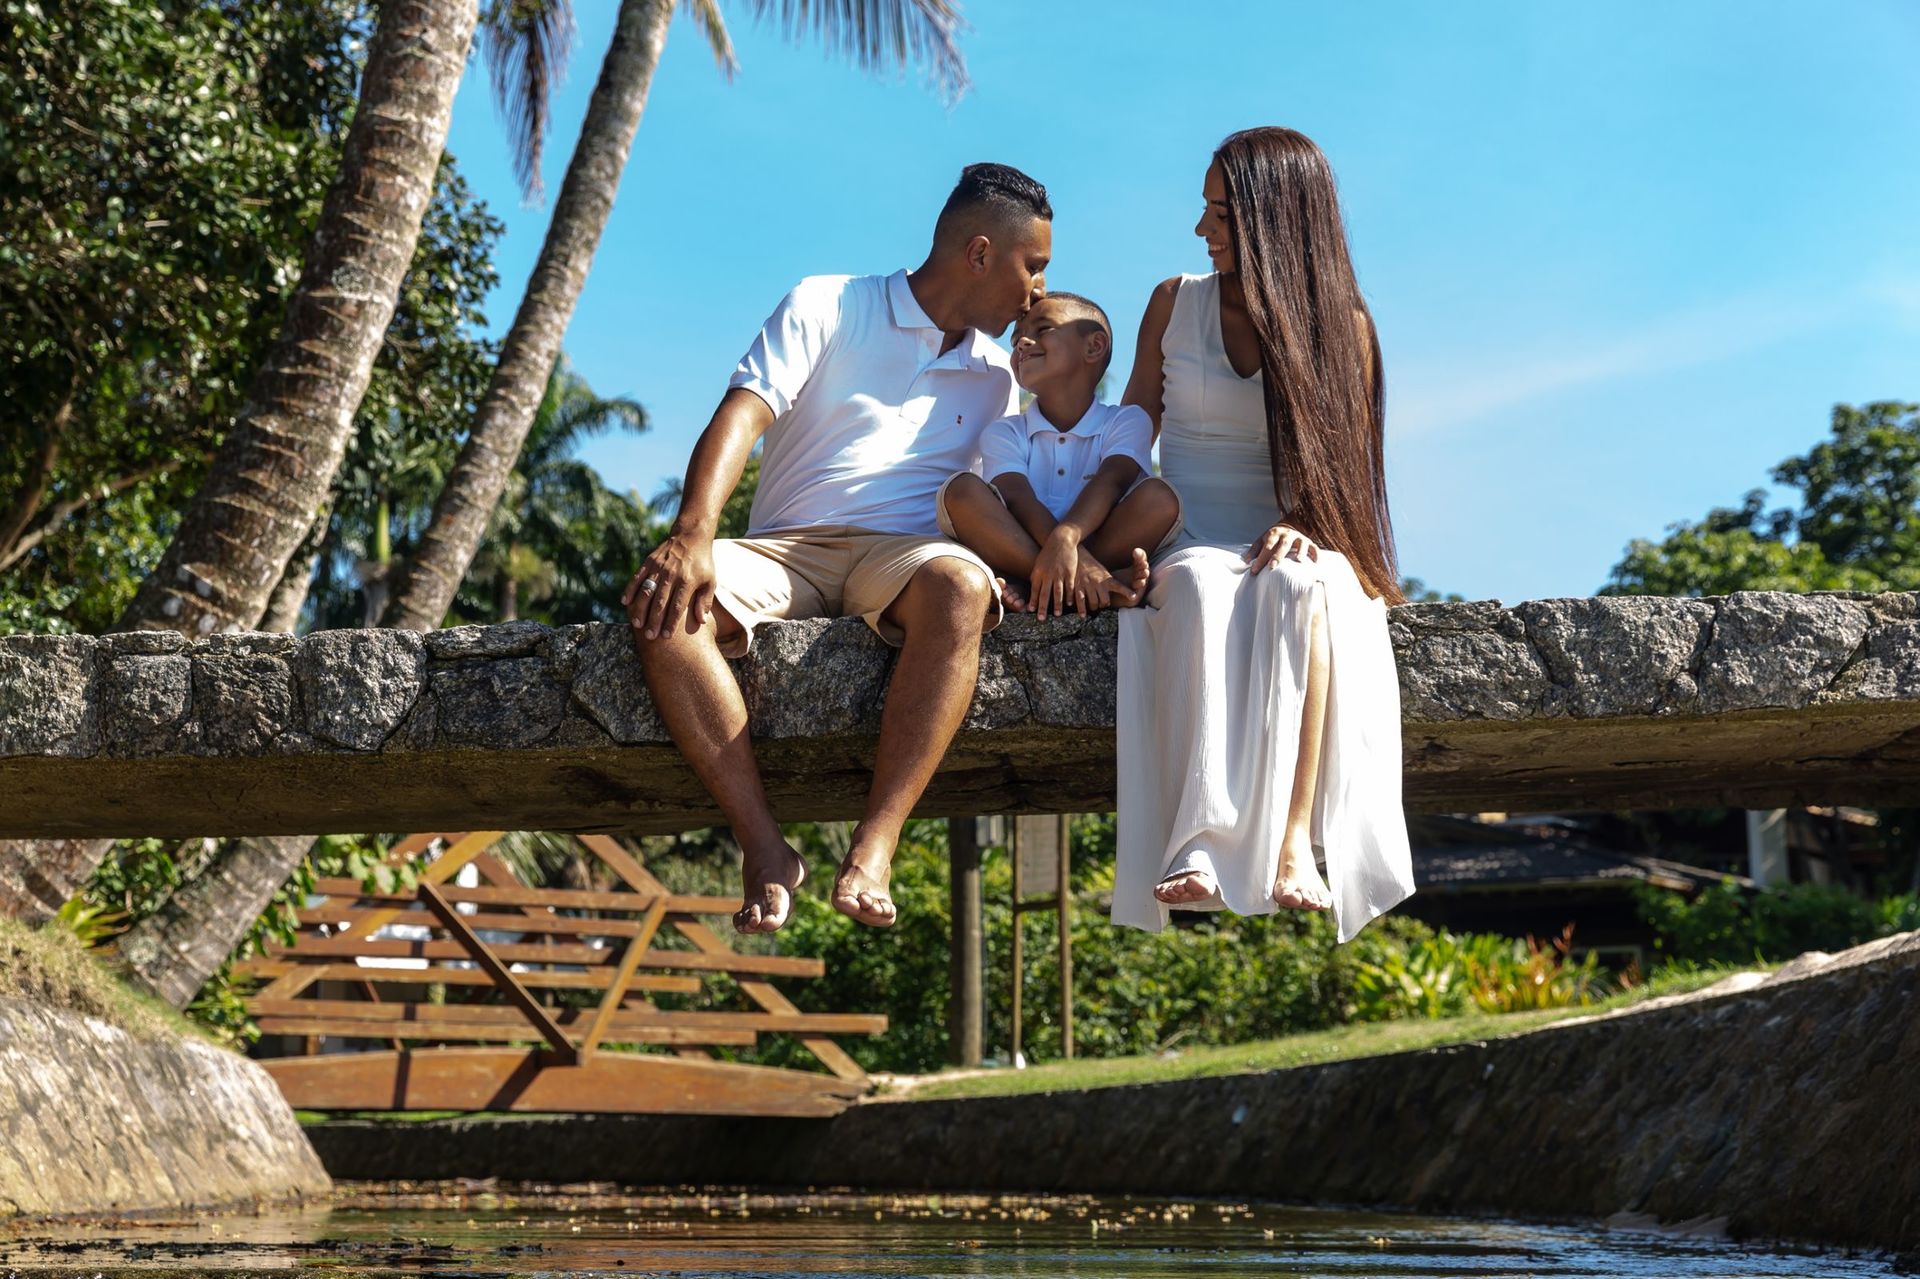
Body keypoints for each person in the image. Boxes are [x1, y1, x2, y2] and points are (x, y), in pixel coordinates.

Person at [624, 162, 1053, 935]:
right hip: (786, 548)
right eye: (1034, 266)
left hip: (905, 559)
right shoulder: (830, 301)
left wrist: (1023, 567)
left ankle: (875, 846)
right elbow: (742, 415)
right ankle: (765, 847)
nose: (1037, 293)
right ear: (981, 253)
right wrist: (692, 532)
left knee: (961, 586)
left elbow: (995, 495)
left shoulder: (998, 376)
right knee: (663, 605)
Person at [1111, 127, 1414, 942]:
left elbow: (1346, 471)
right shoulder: (1174, 303)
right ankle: (1200, 841)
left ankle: (1292, 845)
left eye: (1219, 213)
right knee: (1206, 585)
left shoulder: (1342, 326)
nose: (1202, 229)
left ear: (1274, 221)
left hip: (1299, 532)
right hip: (1189, 528)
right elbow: (1129, 435)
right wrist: (1087, 533)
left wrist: (1304, 526)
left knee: (1298, 586)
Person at [937, 292, 1179, 618]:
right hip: (1026, 545)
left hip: (1097, 541)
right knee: (961, 492)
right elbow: (1018, 497)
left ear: (1094, 346)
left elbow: (1112, 481)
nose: (1022, 342)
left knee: (1160, 498)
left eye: (1043, 329)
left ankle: (1036, 583)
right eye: (1015, 338)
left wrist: (1068, 536)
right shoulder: (1005, 431)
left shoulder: (1126, 420)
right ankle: (1094, 582)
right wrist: (1069, 551)